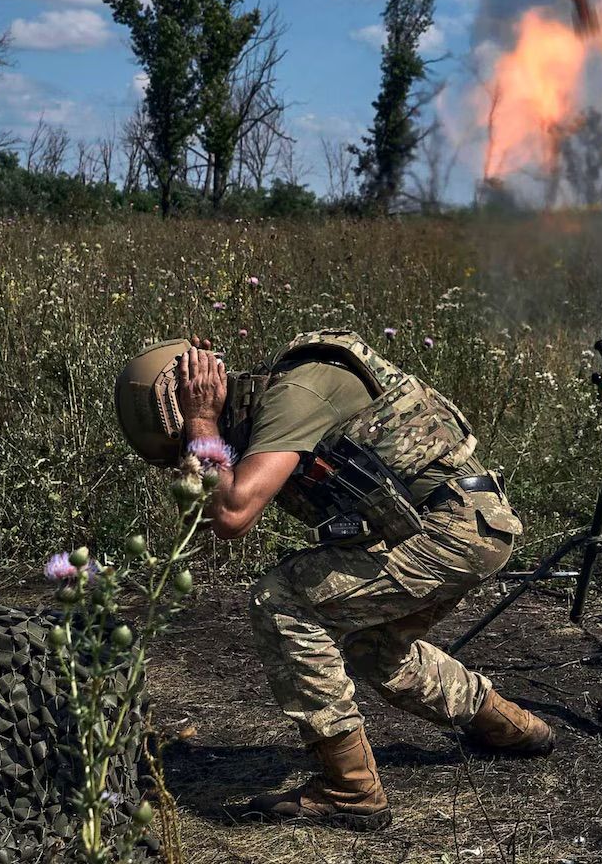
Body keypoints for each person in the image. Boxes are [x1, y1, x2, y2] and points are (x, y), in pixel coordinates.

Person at [114, 329, 554, 832]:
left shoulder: (293, 395)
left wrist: (198, 421)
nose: (192, 455)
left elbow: (232, 514)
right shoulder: (272, 411)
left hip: (455, 527)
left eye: (185, 449)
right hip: (456, 528)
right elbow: (213, 514)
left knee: (281, 598)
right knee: (376, 651)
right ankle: (513, 729)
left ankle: (349, 788)